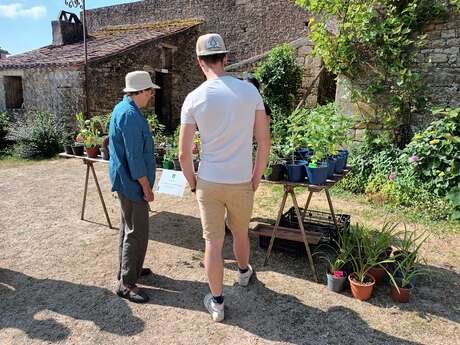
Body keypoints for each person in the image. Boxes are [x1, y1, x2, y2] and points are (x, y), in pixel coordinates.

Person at [179, 33, 271, 322]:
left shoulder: (193, 98)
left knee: (213, 242)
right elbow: (264, 141)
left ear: (199, 62)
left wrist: (194, 183)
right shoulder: (249, 92)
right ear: (226, 58)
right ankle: (244, 273)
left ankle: (217, 303)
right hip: (241, 180)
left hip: (209, 180)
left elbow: (183, 154)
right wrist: (257, 176)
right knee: (241, 232)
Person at [109, 71, 159, 303]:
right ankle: (127, 283)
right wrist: (146, 188)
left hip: (126, 181)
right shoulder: (129, 114)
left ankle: (128, 270)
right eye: (149, 90)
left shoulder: (125, 109)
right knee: (136, 232)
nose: (151, 94)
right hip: (132, 184)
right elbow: (135, 158)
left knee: (128, 228)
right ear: (138, 92)